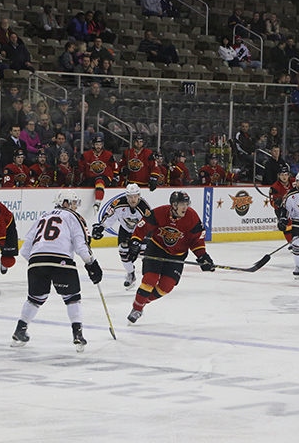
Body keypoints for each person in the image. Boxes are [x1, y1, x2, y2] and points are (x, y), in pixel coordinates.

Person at [11, 189, 102, 352]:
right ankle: (77, 335)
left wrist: (39, 262)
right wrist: (91, 263)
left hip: (36, 261)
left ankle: (20, 329)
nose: (75, 207)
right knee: (72, 298)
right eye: (73, 203)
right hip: (62, 262)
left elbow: (25, 250)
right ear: (65, 203)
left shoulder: (42, 216)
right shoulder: (73, 217)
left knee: (34, 299)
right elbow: (81, 245)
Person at [125, 191, 214, 324]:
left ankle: (142, 302)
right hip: (156, 250)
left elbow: (196, 240)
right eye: (181, 204)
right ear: (173, 205)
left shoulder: (192, 217)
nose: (185, 207)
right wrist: (135, 243)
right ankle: (136, 309)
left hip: (177, 255)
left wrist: (203, 257)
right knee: (150, 280)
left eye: (186, 204)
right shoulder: (160, 212)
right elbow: (142, 227)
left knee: (166, 286)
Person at [92, 183, 152, 289]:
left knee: (144, 252)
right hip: (126, 230)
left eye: (135, 197)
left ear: (139, 195)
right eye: (130, 197)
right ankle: (131, 274)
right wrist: (101, 227)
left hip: (141, 232)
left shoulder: (144, 207)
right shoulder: (118, 203)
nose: (133, 200)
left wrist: (137, 244)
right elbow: (109, 217)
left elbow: (150, 226)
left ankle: (149, 276)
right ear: (126, 196)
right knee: (123, 252)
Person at [78, 135, 115, 213]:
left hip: (105, 177)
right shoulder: (86, 155)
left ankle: (98, 202)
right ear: (93, 145)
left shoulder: (108, 155)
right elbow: (81, 169)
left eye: (100, 144)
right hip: (91, 178)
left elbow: (114, 168)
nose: (99, 146)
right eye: (97, 144)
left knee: (99, 180)